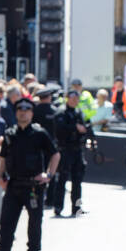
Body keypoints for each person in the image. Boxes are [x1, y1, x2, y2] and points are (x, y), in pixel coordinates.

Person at [0, 99, 59, 251]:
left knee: (34, 223)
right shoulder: (10, 133)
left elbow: (55, 154)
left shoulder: (39, 133)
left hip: (33, 186)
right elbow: (3, 156)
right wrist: (0, 176)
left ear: (32, 113)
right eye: (20, 109)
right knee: (6, 222)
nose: (23, 112)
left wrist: (48, 175)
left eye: (27, 109)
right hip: (14, 184)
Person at [50, 89, 88, 217]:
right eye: (73, 98)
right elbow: (59, 129)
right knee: (62, 180)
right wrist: (74, 128)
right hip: (65, 149)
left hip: (77, 149)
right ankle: (58, 206)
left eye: (77, 99)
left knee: (77, 181)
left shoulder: (78, 112)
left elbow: (84, 126)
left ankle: (76, 208)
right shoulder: (61, 112)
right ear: (67, 98)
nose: (75, 101)